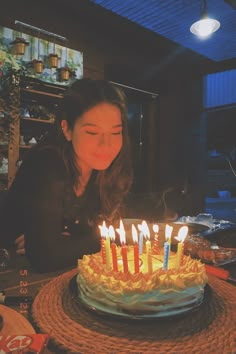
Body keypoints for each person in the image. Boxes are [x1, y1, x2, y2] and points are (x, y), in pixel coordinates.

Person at [0, 78, 133, 272]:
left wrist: (72, 239)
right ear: (67, 129)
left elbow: (90, 232)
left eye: (115, 133)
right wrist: (106, 236)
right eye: (92, 133)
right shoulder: (48, 164)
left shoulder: (108, 169)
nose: (107, 145)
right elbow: (46, 257)